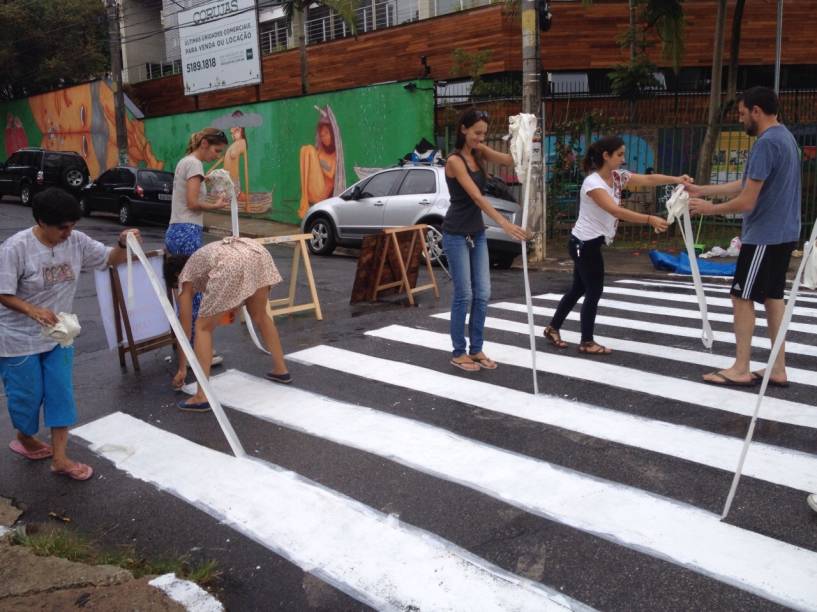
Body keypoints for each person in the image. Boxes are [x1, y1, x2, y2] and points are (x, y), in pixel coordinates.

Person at [0, 187, 140, 480]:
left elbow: (109, 259)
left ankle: (60, 459)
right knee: (27, 397)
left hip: (59, 335)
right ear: (41, 222)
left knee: (60, 393)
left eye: (72, 226)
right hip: (18, 339)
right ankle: (25, 437)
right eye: (62, 227)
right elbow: (3, 292)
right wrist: (32, 310)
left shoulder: (76, 241)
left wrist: (122, 243)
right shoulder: (16, 248)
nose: (68, 232)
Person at [688, 86, 801, 387]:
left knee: (741, 297)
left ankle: (741, 367)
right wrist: (703, 190)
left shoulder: (766, 144)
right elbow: (746, 182)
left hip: (764, 234)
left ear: (756, 111)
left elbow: (748, 200)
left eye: (741, 113)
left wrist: (709, 209)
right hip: (784, 233)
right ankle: (778, 367)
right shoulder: (785, 137)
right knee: (773, 298)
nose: (740, 120)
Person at [543, 136, 686, 355]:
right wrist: (649, 219)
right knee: (594, 289)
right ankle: (587, 341)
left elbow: (648, 180)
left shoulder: (617, 177)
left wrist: (677, 179)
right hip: (584, 244)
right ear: (606, 156)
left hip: (588, 242)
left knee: (579, 288)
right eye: (619, 154)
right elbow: (615, 210)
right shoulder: (593, 183)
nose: (623, 159)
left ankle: (553, 328)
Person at [443, 108, 529, 372]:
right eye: (477, 133)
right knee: (464, 294)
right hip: (456, 233)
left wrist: (524, 139)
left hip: (476, 233)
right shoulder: (455, 161)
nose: (481, 138)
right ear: (463, 130)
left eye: (484, 134)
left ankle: (476, 349)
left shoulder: (479, 153)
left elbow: (508, 161)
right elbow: (477, 198)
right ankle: (459, 352)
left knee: (483, 293)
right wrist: (504, 224)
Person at [165, 237, 291, 412]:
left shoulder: (185, 275)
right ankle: (281, 369)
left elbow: (185, 328)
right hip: (257, 253)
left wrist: (182, 368)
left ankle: (201, 395)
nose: (180, 293)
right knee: (261, 315)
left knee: (202, 327)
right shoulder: (201, 257)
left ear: (176, 276)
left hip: (232, 262)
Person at [165, 128, 230, 364]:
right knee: (194, 295)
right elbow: (193, 203)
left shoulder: (185, 162)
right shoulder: (194, 165)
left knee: (186, 293)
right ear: (204, 143)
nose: (216, 155)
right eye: (216, 150)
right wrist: (218, 204)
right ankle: (197, 351)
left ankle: (188, 349)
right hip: (187, 230)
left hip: (177, 230)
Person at [298, 105, 346, 219]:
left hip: (322, 195)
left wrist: (318, 162)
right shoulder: (319, 151)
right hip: (311, 191)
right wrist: (317, 161)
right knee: (304, 149)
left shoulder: (335, 155)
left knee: (309, 149)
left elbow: (330, 174)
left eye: (327, 134)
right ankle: (304, 198)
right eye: (322, 135)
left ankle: (304, 199)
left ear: (332, 134)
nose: (324, 138)